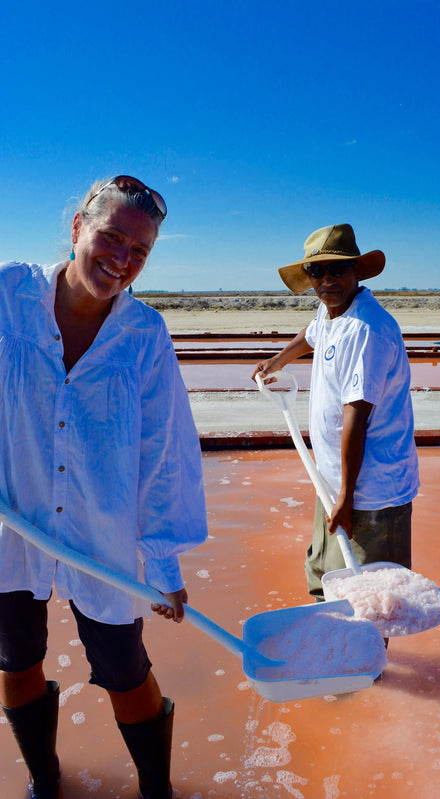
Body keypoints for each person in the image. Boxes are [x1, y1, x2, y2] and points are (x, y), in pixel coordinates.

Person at [0, 176, 208, 799]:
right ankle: (46, 779)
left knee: (123, 666)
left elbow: (162, 452)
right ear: (75, 229)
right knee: (15, 658)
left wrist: (163, 560)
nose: (121, 259)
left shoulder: (143, 334)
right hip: (13, 522)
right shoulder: (8, 295)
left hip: (103, 531)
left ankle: (156, 791)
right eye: (110, 237)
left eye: (138, 251)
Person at [252, 223, 419, 617]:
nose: (327, 280)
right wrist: (276, 362)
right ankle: (335, 650)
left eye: (337, 270)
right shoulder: (331, 311)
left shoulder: (367, 330)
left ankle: (372, 670)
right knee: (327, 573)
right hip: (332, 480)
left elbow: (356, 417)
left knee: (374, 596)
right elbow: (311, 334)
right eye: (317, 272)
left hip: (371, 491)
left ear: (356, 272)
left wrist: (346, 496)